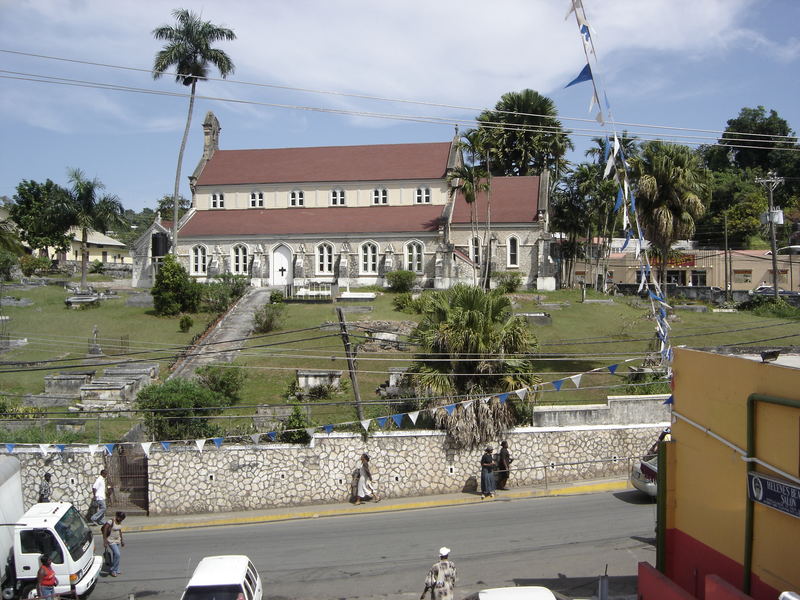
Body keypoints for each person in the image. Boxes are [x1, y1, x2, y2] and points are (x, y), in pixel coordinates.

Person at [102, 511, 126, 577]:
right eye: (120, 517)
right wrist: (104, 540)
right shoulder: (111, 521)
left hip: (117, 540)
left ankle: (117, 568)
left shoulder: (119, 522)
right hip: (111, 541)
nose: (121, 519)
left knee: (115, 555)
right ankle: (113, 570)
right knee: (118, 554)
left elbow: (120, 530)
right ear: (117, 516)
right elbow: (105, 530)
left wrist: (122, 540)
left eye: (122, 518)